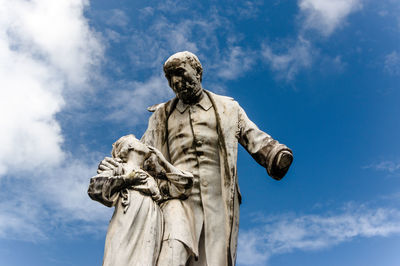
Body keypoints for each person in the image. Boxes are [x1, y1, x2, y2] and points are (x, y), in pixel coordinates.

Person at [99, 51, 293, 266]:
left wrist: (274, 154)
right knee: (173, 253)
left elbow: (252, 136)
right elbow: (142, 151)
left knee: (214, 260)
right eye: (170, 77)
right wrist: (116, 166)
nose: (175, 81)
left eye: (180, 73)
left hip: (217, 199)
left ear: (198, 72)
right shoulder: (162, 115)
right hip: (178, 196)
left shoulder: (228, 108)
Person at [89, 134, 194, 266]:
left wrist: (163, 163)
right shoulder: (119, 168)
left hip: (152, 219)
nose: (144, 143)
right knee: (122, 257)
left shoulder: (153, 179)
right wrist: (128, 179)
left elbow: (184, 186)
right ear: (130, 146)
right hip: (129, 217)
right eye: (138, 141)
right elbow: (95, 188)